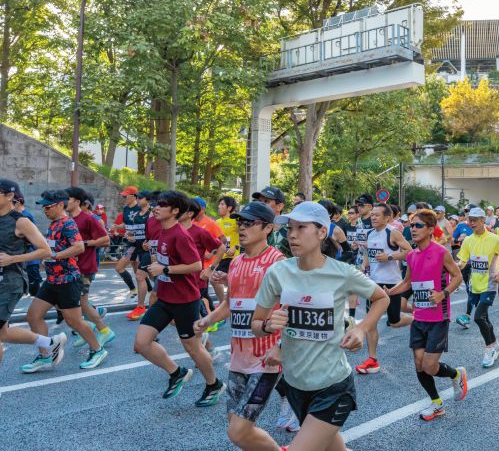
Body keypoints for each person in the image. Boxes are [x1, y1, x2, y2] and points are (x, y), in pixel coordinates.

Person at [252, 201, 390, 451]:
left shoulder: (342, 272)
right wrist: (269, 325)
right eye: (290, 228)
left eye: (301, 227)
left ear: (322, 232)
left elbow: (382, 298)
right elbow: (256, 324)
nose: (292, 235)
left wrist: (361, 328)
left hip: (333, 385)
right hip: (295, 384)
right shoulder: (277, 273)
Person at [194, 202, 290, 449]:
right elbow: (230, 303)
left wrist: (280, 347)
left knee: (239, 431)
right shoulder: (235, 263)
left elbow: (293, 308)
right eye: (240, 222)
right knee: (236, 426)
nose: (242, 227)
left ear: (268, 228)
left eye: (249, 223)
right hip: (238, 358)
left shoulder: (278, 263)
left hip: (265, 360)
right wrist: (207, 320)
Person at [134, 191, 224, 406]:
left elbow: (195, 265)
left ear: (175, 211)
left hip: (185, 300)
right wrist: (155, 262)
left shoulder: (180, 234)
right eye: (156, 204)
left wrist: (164, 269)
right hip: (165, 298)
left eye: (162, 205)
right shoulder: (160, 229)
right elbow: (161, 256)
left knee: (192, 348)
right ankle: (177, 373)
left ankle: (214, 384)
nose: (156, 207)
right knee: (141, 343)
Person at [386, 208, 468, 420]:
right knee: (418, 363)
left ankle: (456, 374)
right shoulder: (411, 255)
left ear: (431, 229)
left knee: (429, 366)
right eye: (412, 225)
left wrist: (443, 294)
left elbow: (457, 276)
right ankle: (436, 403)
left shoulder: (441, 252)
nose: (413, 229)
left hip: (438, 318)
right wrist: (388, 293)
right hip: (419, 318)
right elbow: (407, 283)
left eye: (418, 225)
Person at [24, 190, 108, 371]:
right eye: (43, 207)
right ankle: (46, 355)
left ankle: (98, 350)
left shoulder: (68, 223)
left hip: (67, 280)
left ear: (60, 205)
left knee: (74, 322)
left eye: (48, 207)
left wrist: (55, 256)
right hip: (52, 280)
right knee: (33, 316)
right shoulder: (54, 224)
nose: (45, 210)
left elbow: (78, 247)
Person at [0, 180, 68, 368]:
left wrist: (12, 258)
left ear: (10, 196)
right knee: (3, 333)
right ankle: (50, 342)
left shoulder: (21, 221)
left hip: (10, 281)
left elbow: (45, 250)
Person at [355, 202, 413, 374]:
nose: (373, 217)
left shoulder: (392, 233)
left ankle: (415, 319)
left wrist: (389, 256)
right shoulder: (370, 233)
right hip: (373, 283)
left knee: (394, 322)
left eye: (377, 215)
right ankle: (372, 360)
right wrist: (363, 266)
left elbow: (409, 252)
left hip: (391, 283)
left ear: (387, 218)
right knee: (370, 322)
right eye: (372, 214)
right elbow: (368, 253)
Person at [455, 207, 499, 368]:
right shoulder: (468, 240)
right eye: (470, 220)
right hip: (475, 285)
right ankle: (496, 344)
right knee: (484, 318)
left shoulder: (495, 239)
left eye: (475, 220)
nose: (471, 223)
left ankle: (489, 349)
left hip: (489, 285)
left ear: (483, 220)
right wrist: (455, 266)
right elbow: (462, 261)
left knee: (478, 317)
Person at [64, 187, 115, 349]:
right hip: (71, 267)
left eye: (67, 199)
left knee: (82, 302)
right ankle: (87, 328)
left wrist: (85, 244)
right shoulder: (67, 219)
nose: (63, 202)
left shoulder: (88, 219)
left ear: (77, 201)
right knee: (69, 301)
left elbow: (106, 240)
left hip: (85, 267)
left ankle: (104, 330)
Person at [122, 190, 155, 320]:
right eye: (138, 198)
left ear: (147, 200)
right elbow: (134, 230)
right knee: (151, 275)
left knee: (140, 276)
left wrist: (149, 242)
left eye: (140, 198)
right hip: (137, 247)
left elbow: (154, 231)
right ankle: (165, 293)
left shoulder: (152, 213)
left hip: (148, 248)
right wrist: (129, 235)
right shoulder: (136, 214)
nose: (138, 200)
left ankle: (141, 307)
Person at [113, 185, 142, 300]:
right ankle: (145, 290)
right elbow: (125, 224)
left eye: (125, 196)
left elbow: (145, 225)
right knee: (137, 271)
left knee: (121, 267)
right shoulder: (126, 209)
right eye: (123, 196)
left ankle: (135, 290)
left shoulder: (140, 208)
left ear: (134, 196)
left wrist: (134, 236)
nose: (124, 198)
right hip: (130, 242)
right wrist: (117, 227)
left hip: (138, 243)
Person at [216, 196, 239, 274]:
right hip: (220, 256)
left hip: (232, 257)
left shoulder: (236, 221)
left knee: (218, 277)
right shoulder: (217, 222)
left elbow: (246, 236)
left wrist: (235, 247)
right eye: (219, 204)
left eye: (222, 204)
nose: (219, 206)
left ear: (229, 208)